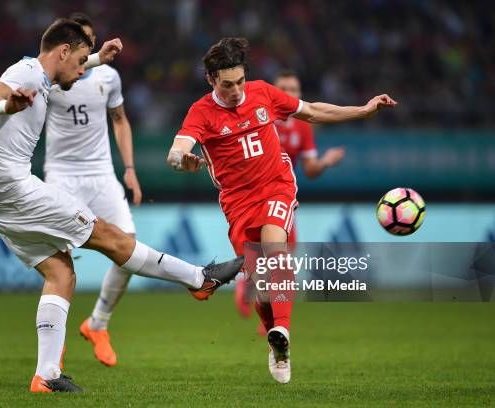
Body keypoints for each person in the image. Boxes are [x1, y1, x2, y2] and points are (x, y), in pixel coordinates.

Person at [0, 20, 243, 393]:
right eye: (82, 59)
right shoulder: (27, 73)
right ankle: (199, 279)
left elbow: (66, 72)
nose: (85, 68)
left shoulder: (43, 73)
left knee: (61, 274)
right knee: (110, 238)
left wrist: (99, 57)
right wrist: (7, 103)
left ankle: (46, 376)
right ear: (64, 51)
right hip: (15, 190)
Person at [167, 38, 396, 384]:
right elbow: (177, 149)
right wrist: (181, 162)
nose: (235, 90)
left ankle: (283, 330)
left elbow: (314, 111)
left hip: (277, 186)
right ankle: (278, 346)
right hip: (237, 202)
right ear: (211, 80)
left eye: (240, 81)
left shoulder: (263, 93)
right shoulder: (201, 112)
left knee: (276, 249)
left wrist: (363, 110)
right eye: (227, 84)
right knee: (260, 284)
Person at [44, 13, 141, 368]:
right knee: (58, 260)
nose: (82, 53)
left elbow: (120, 120)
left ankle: (97, 323)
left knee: (128, 248)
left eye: (87, 44)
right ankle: (55, 343)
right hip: (62, 175)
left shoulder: (108, 77)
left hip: (101, 173)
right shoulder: (51, 78)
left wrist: (129, 169)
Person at [234, 70, 346, 329]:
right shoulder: (260, 117)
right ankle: (251, 288)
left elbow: (309, 170)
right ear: (274, 92)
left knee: (283, 256)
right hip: (250, 196)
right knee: (264, 257)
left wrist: (325, 162)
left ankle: (268, 314)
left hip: (280, 196)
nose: (289, 94)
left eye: (294, 90)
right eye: (283, 88)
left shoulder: (302, 127)